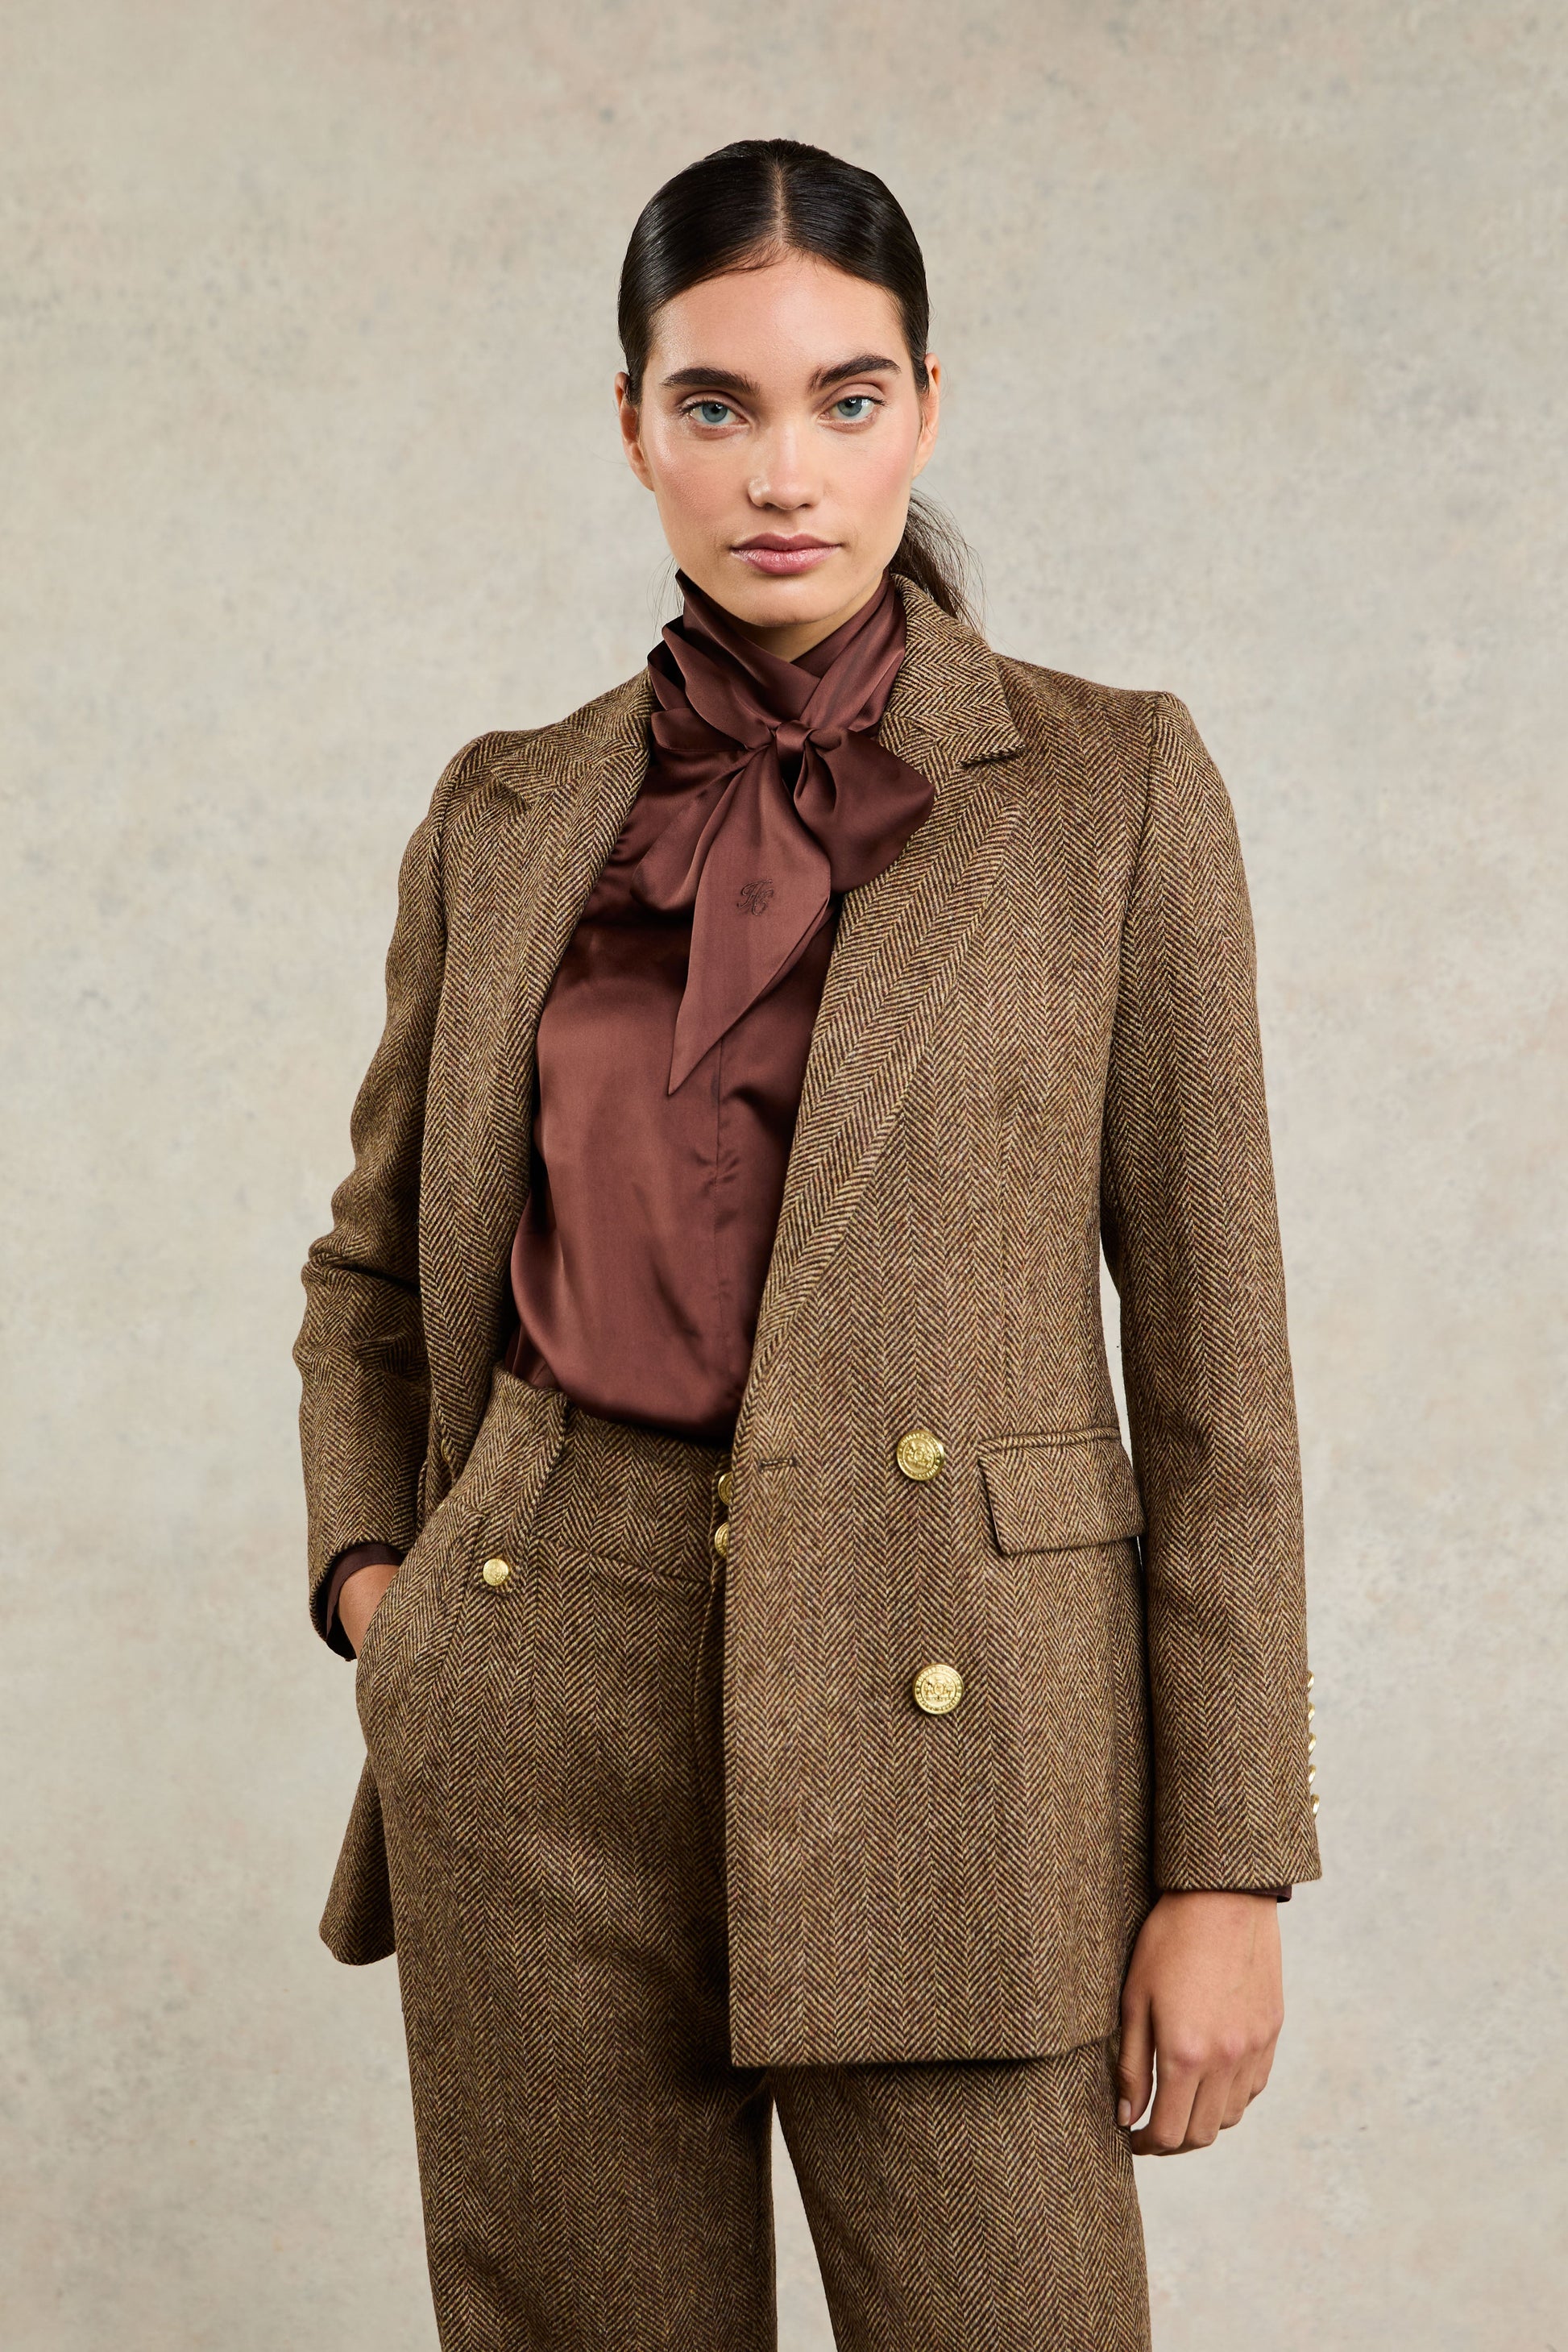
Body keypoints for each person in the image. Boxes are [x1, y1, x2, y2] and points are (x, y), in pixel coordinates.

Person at [295, 136, 1320, 2352]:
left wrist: (1226, 1860)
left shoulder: (1113, 790)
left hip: (958, 1710)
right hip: (540, 1695)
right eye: (717, 403)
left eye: (846, 400)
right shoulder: (504, 810)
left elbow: (1219, 1366)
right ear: (632, 426)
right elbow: (370, 1274)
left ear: (925, 409)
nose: (784, 472)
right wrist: (389, 1599)